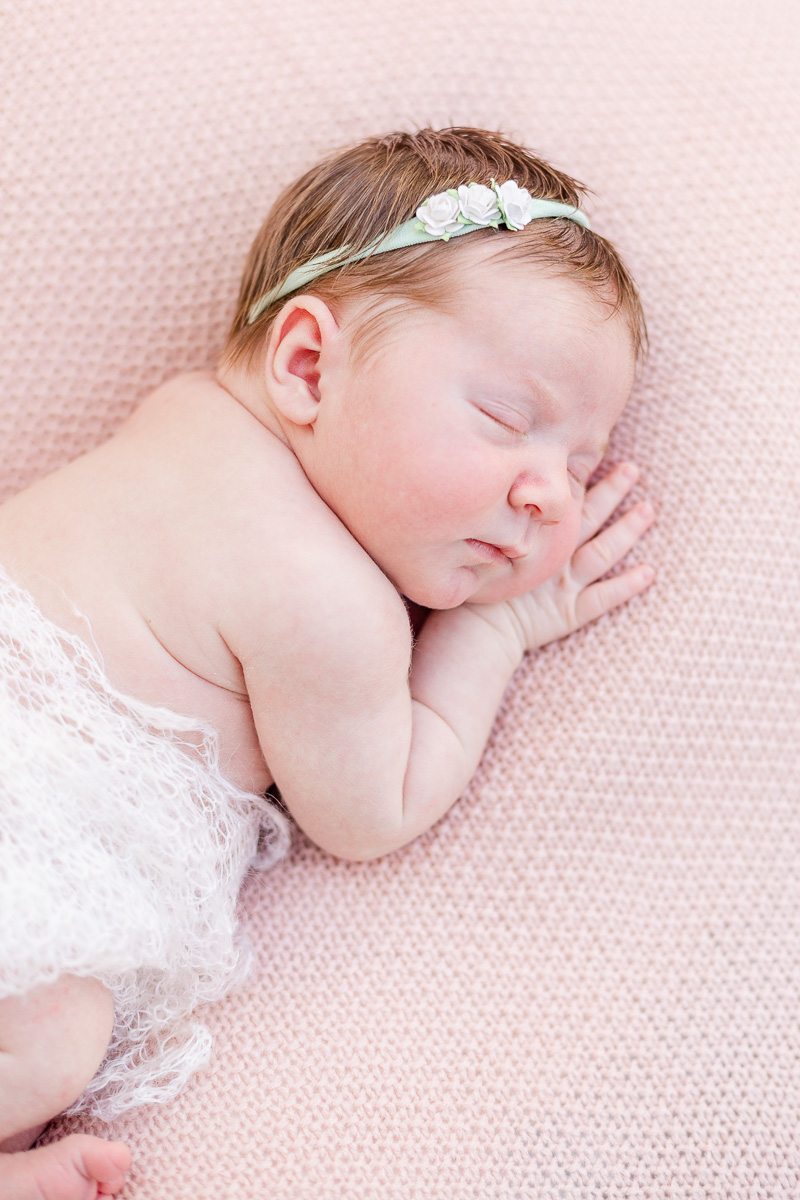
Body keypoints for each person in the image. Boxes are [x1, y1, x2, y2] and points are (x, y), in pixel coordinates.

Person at [0, 126, 655, 1198]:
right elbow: (371, 810)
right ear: (307, 364)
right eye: (506, 418)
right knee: (49, 1029)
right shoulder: (324, 600)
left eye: (580, 465)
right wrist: (489, 630)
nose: (550, 495)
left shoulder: (175, 422)